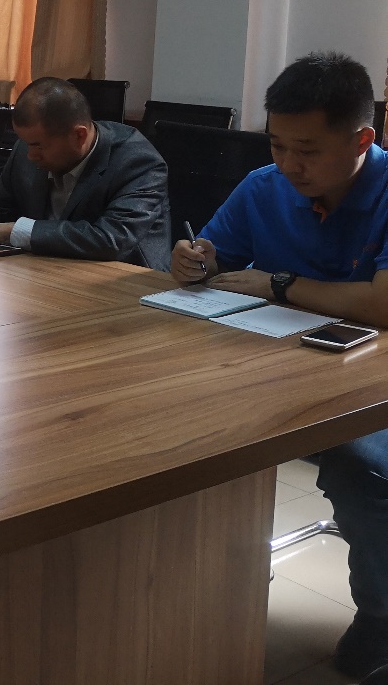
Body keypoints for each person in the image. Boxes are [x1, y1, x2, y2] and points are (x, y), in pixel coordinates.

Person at [169, 52, 388, 678]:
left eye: (308, 150)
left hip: (371, 384)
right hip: (275, 370)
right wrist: (193, 262)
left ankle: (381, 616)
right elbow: (215, 258)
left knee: (365, 470)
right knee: (178, 423)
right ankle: (196, 588)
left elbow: (383, 304)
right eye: (277, 145)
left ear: (362, 140)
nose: (289, 164)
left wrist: (279, 284)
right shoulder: (263, 186)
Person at [0, 77, 170, 267]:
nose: (31, 156)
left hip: (127, 290)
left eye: (39, 146)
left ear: (79, 135)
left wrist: (11, 231)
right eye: (27, 144)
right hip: (49, 272)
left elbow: (111, 239)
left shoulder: (138, 162)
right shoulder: (27, 148)